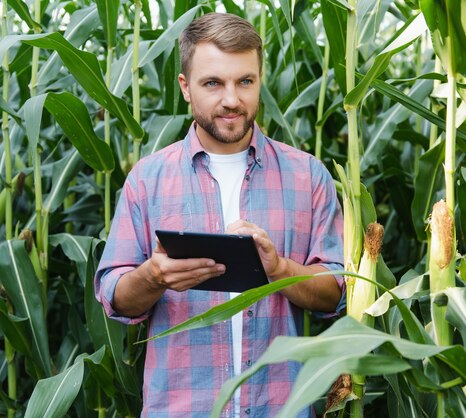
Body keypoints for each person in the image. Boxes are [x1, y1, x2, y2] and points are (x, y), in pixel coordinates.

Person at [94, 12, 344, 418]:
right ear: (185, 88)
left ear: (260, 79)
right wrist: (154, 276)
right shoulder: (148, 179)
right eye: (213, 83)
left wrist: (278, 268)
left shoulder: (308, 176)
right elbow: (114, 297)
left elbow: (335, 292)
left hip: (280, 408)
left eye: (245, 81)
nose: (232, 99)